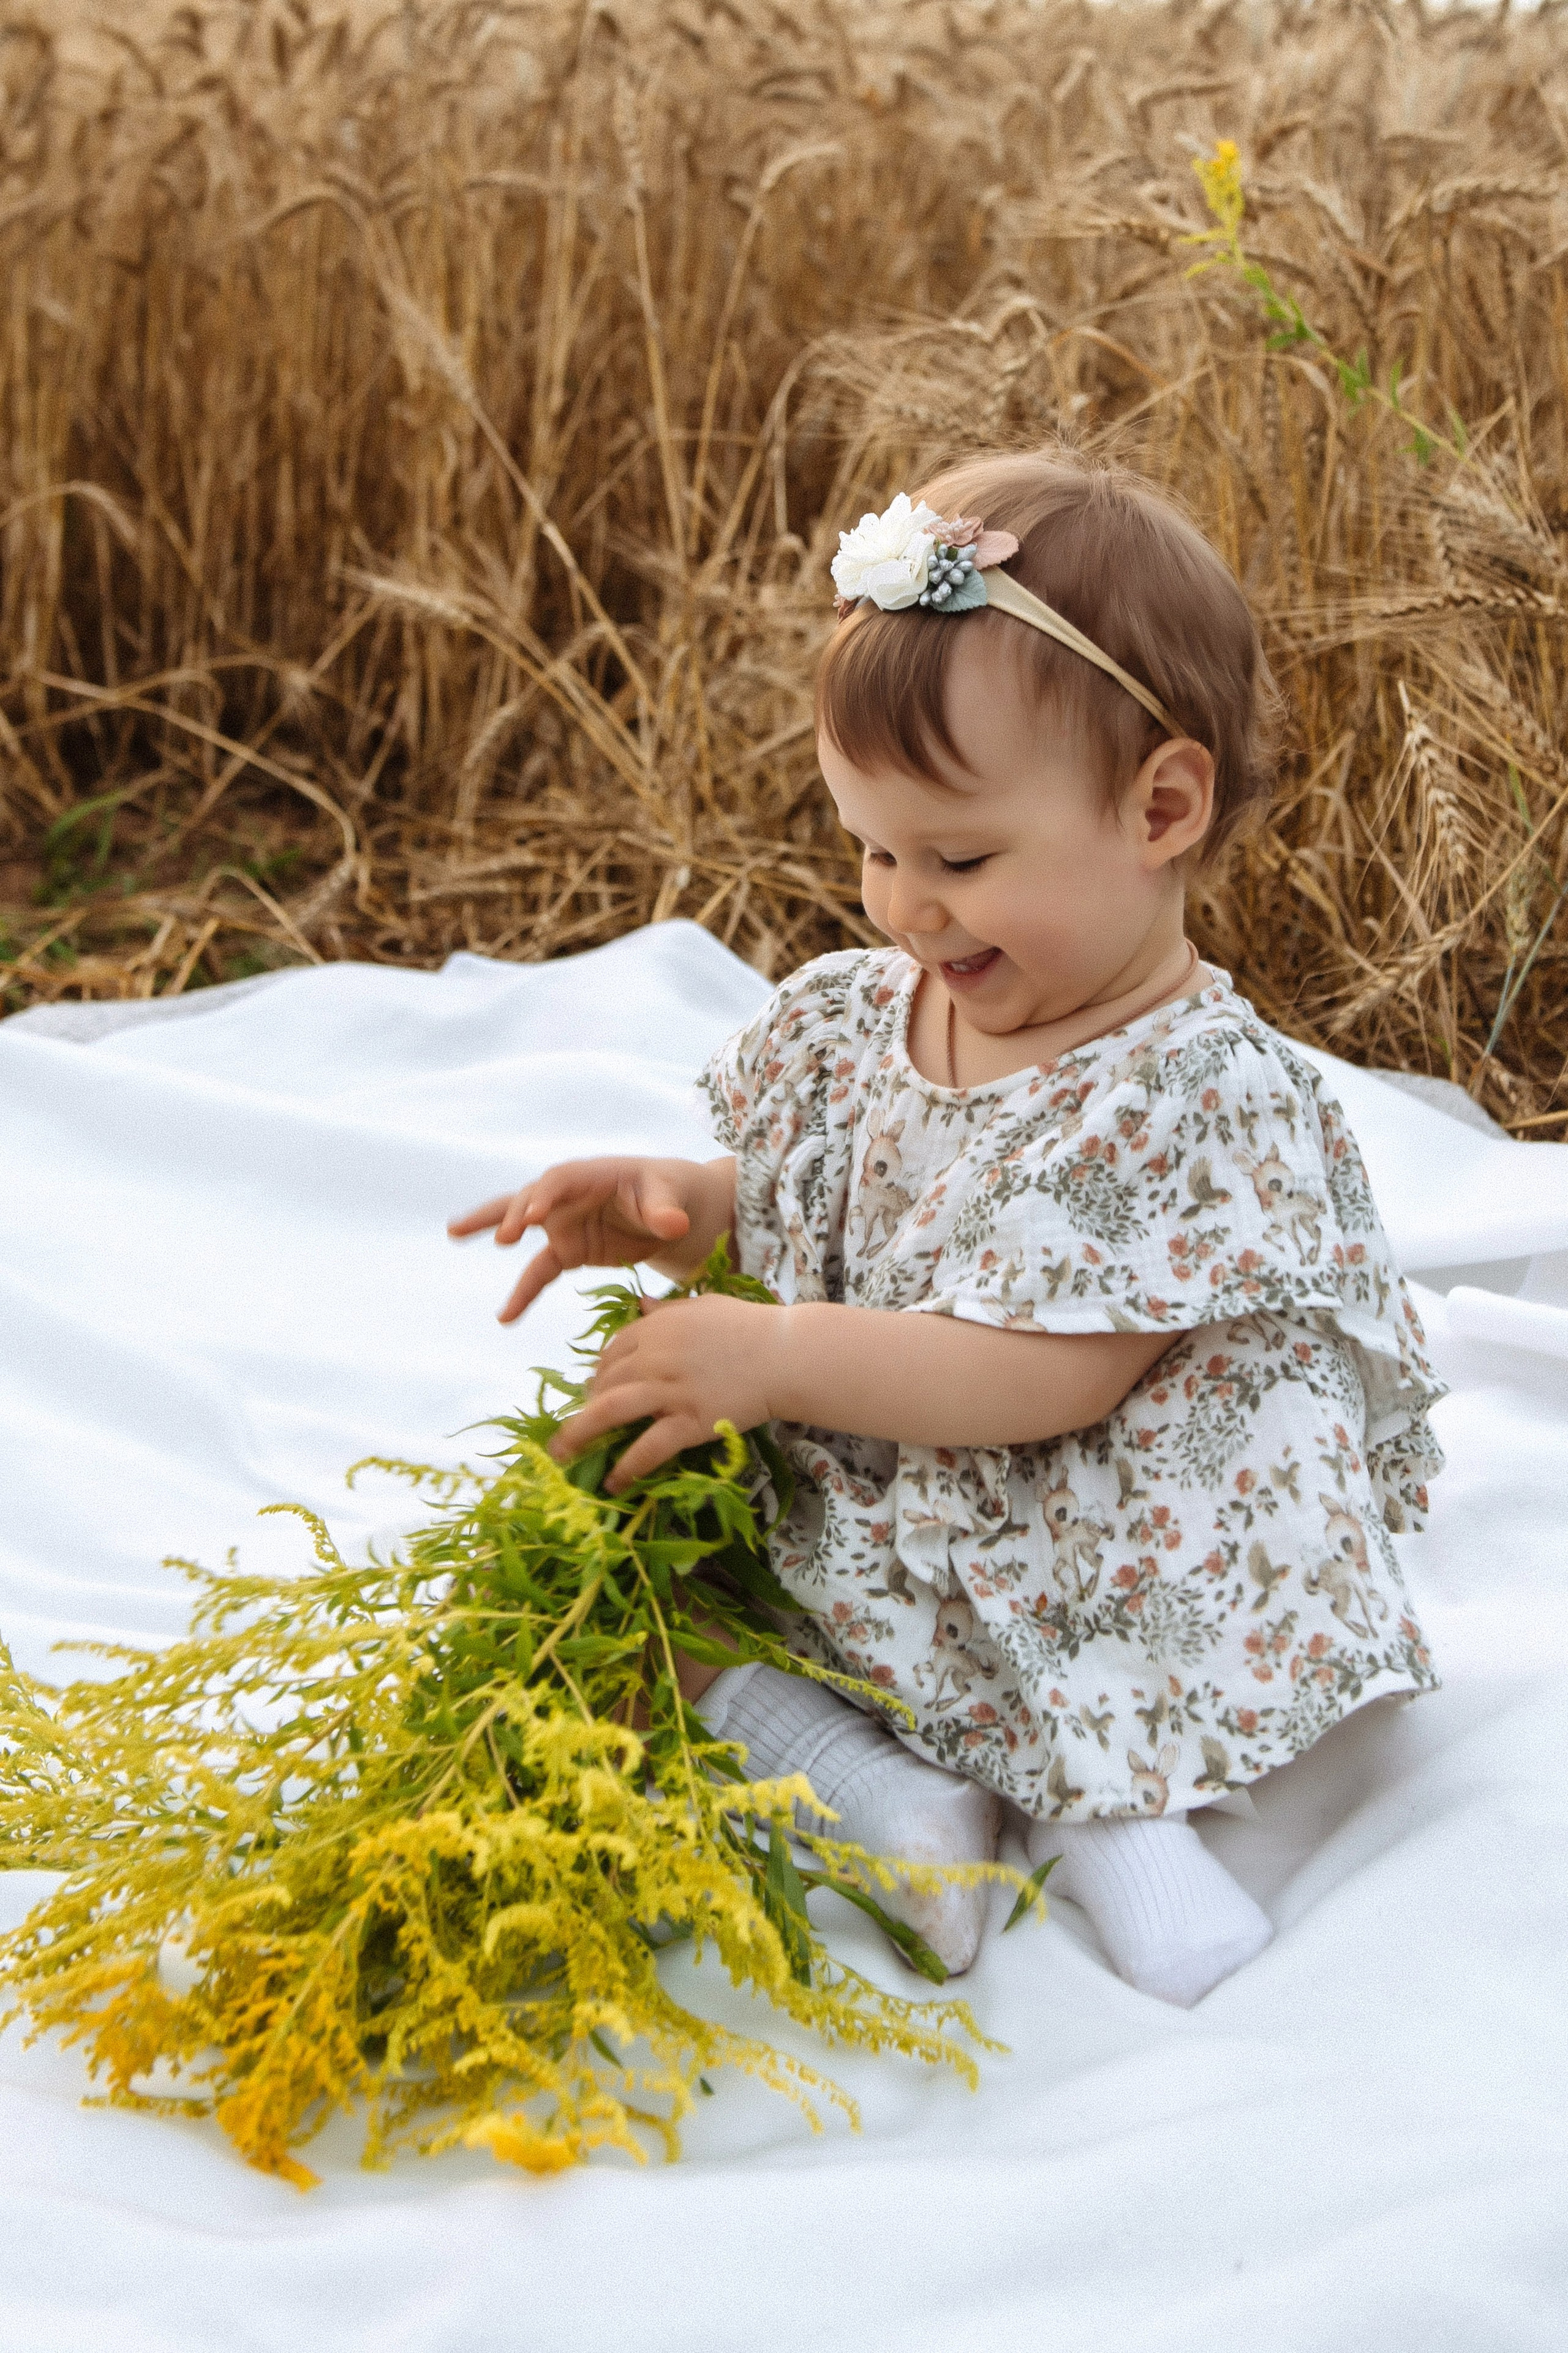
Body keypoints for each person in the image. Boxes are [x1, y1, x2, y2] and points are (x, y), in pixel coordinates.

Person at [450, 447, 1444, 2008]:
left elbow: (1045, 1380)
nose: (903, 905)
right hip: (886, 1458)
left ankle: (1105, 1813)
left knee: (1083, 1639)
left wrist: (772, 1353)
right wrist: (677, 1210)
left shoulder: (1185, 1090)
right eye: (871, 847)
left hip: (1096, 1517)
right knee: (631, 1564)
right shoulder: (874, 1015)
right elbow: (831, 1204)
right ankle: (882, 1798)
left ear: (1159, 807)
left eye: (959, 859)